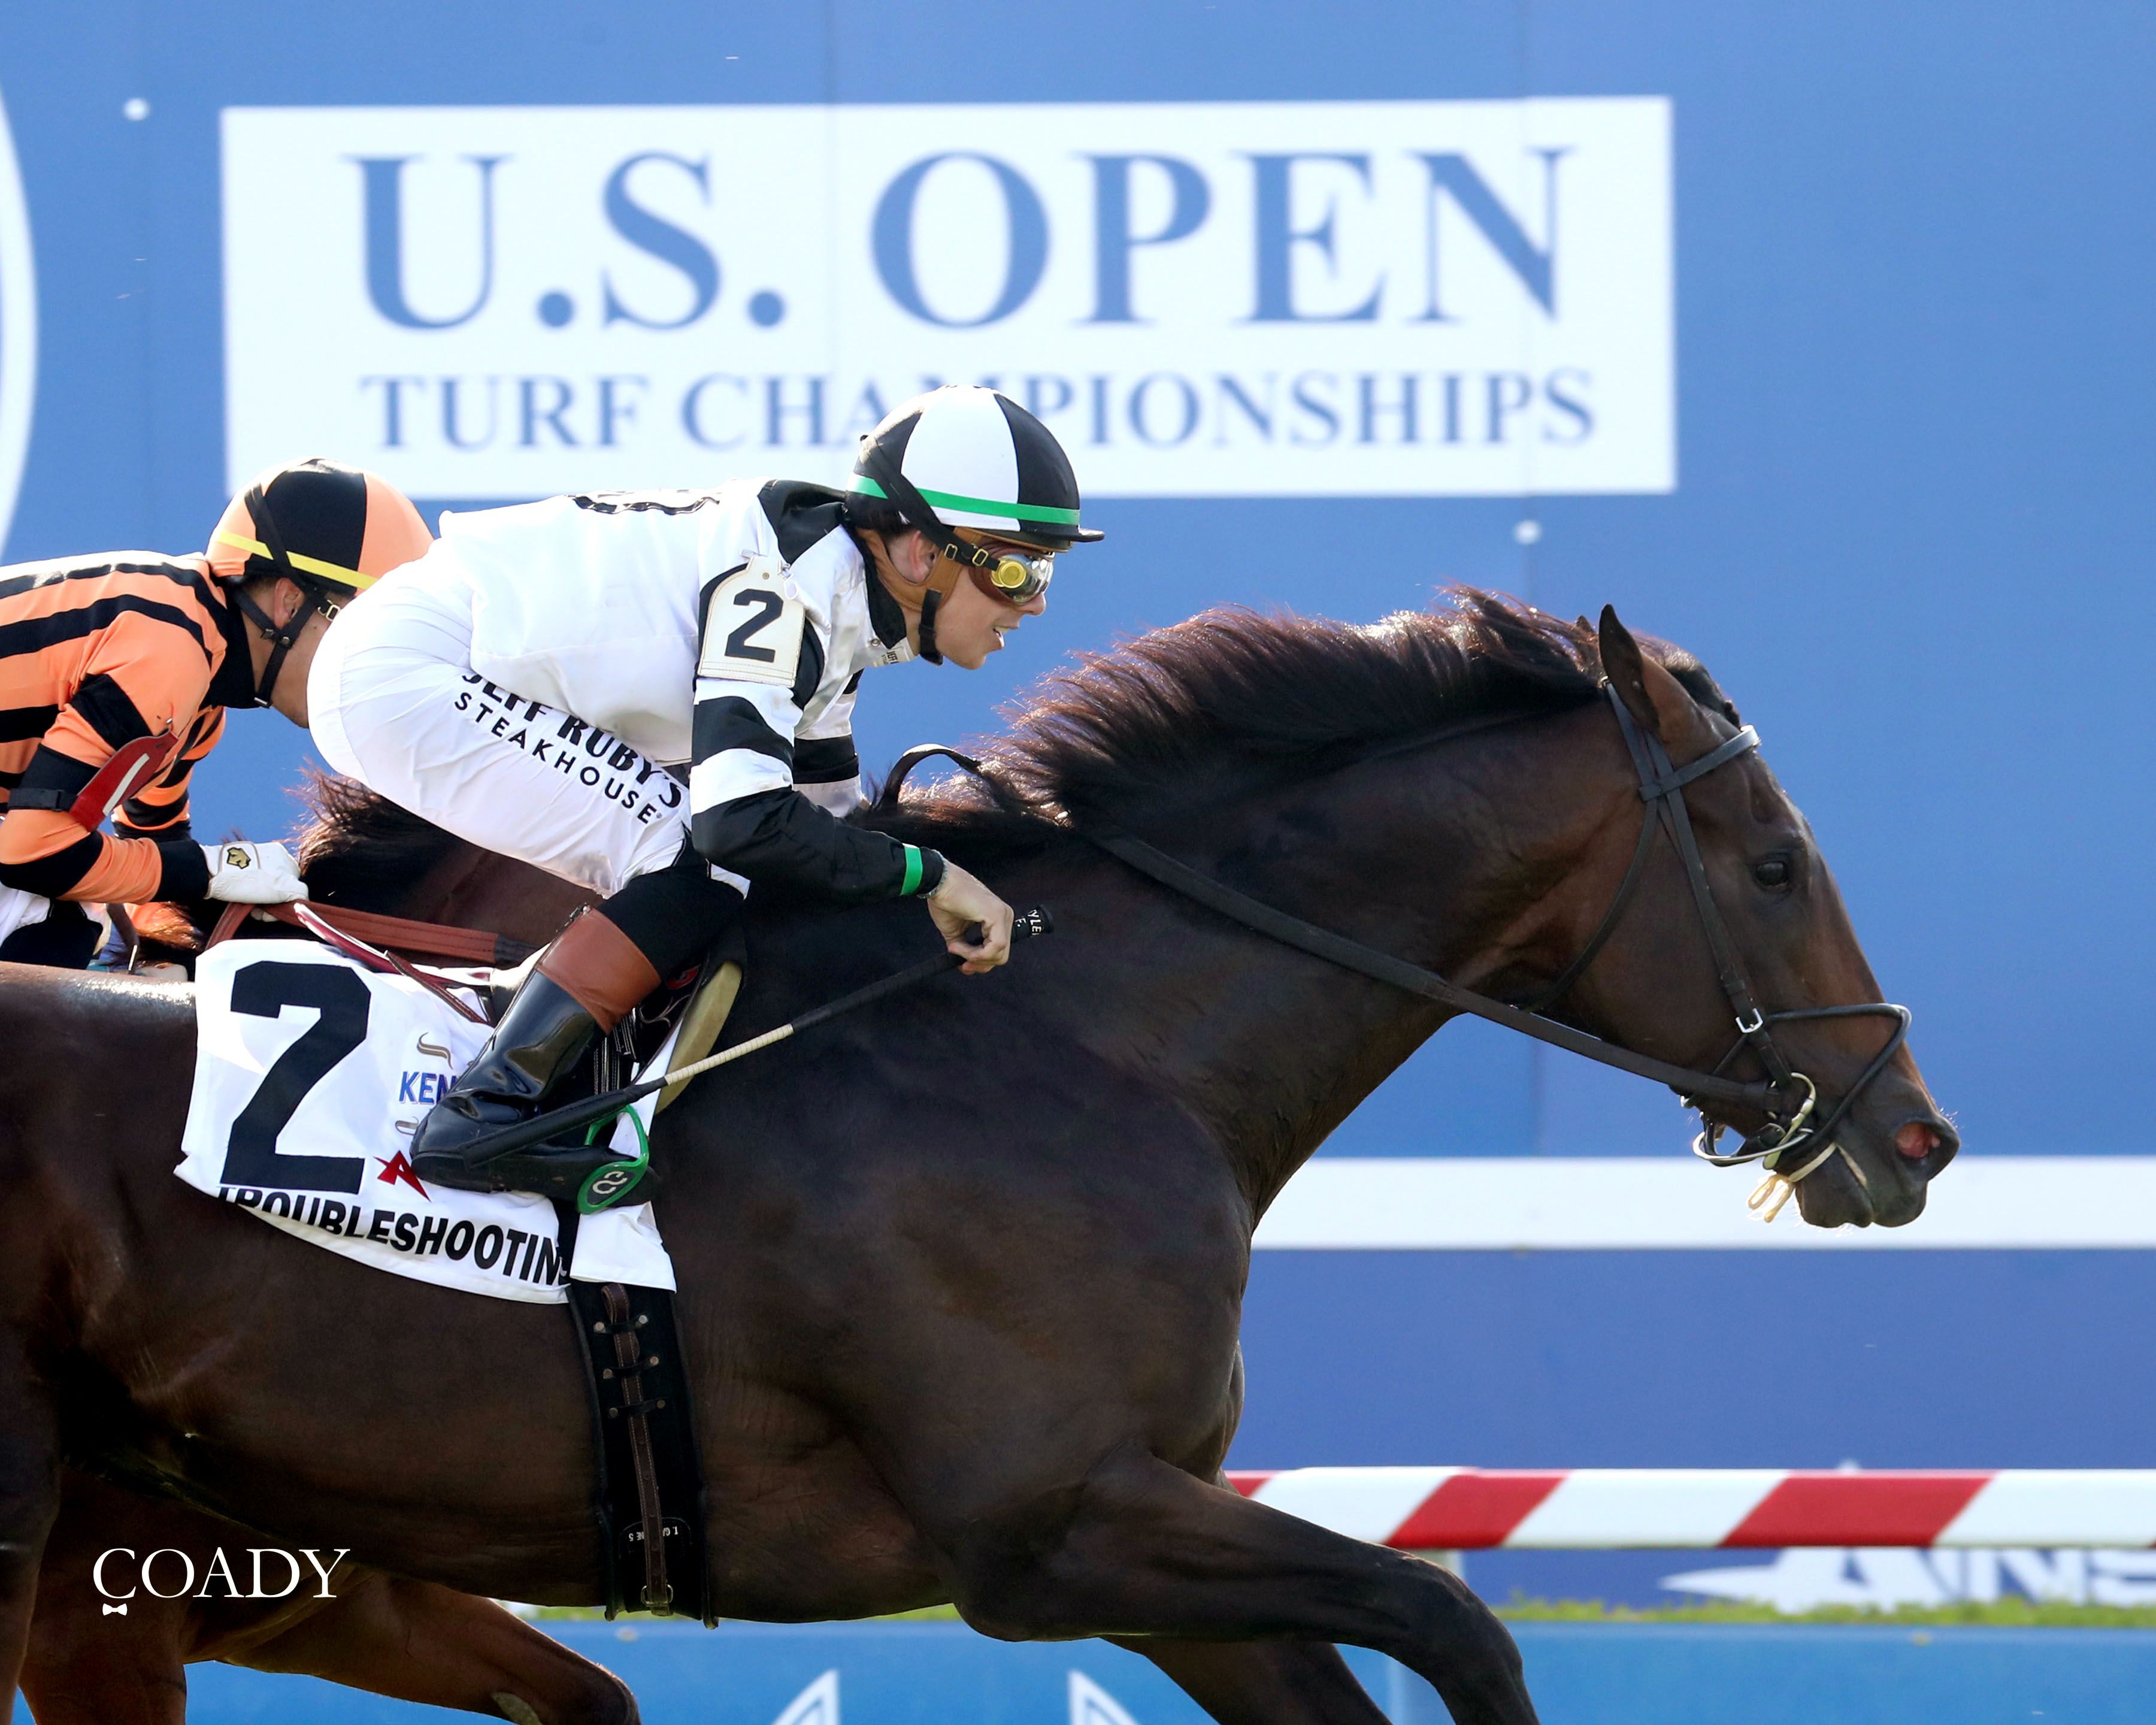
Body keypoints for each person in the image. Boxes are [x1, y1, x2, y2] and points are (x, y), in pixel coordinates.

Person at [305, 386, 1102, 1196]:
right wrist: (932, 875)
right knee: (695, 856)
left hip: (424, 663)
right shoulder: (786, 589)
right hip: (413, 673)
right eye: (1013, 565)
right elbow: (742, 824)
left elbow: (821, 823)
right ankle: (484, 1115)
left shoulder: (841, 597)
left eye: (1042, 571)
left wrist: (916, 895)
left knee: (725, 865)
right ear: (918, 552)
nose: (1034, 601)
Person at [0, 459, 432, 967]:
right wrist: (215, 870)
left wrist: (223, 902)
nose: (368, 664)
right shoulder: (170, 649)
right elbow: (35, 853)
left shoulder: (198, 698)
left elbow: (151, 843)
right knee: (60, 921)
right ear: (289, 603)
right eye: (362, 633)